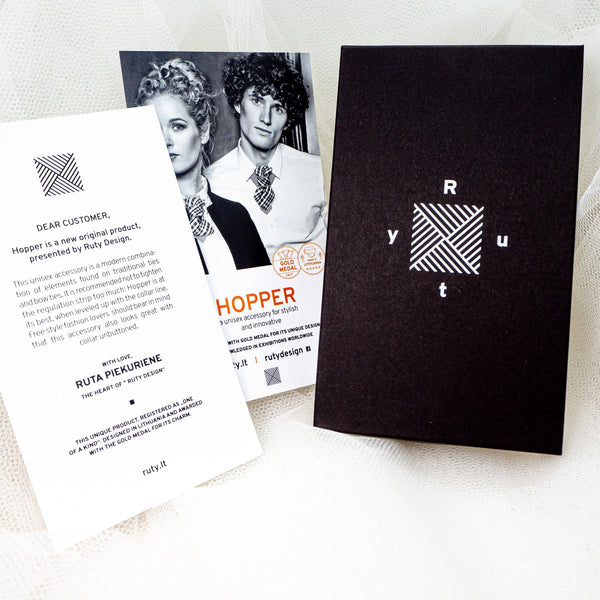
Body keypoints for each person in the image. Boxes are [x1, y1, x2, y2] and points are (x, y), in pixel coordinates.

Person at [136, 58, 270, 274]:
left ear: (204, 131)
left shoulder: (237, 215)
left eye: (177, 126)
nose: (165, 141)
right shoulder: (143, 225)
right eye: (154, 130)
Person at [205, 53, 327, 260]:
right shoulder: (211, 183)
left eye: (277, 108)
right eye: (257, 101)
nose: (265, 118)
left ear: (288, 120)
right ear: (238, 102)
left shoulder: (318, 173)